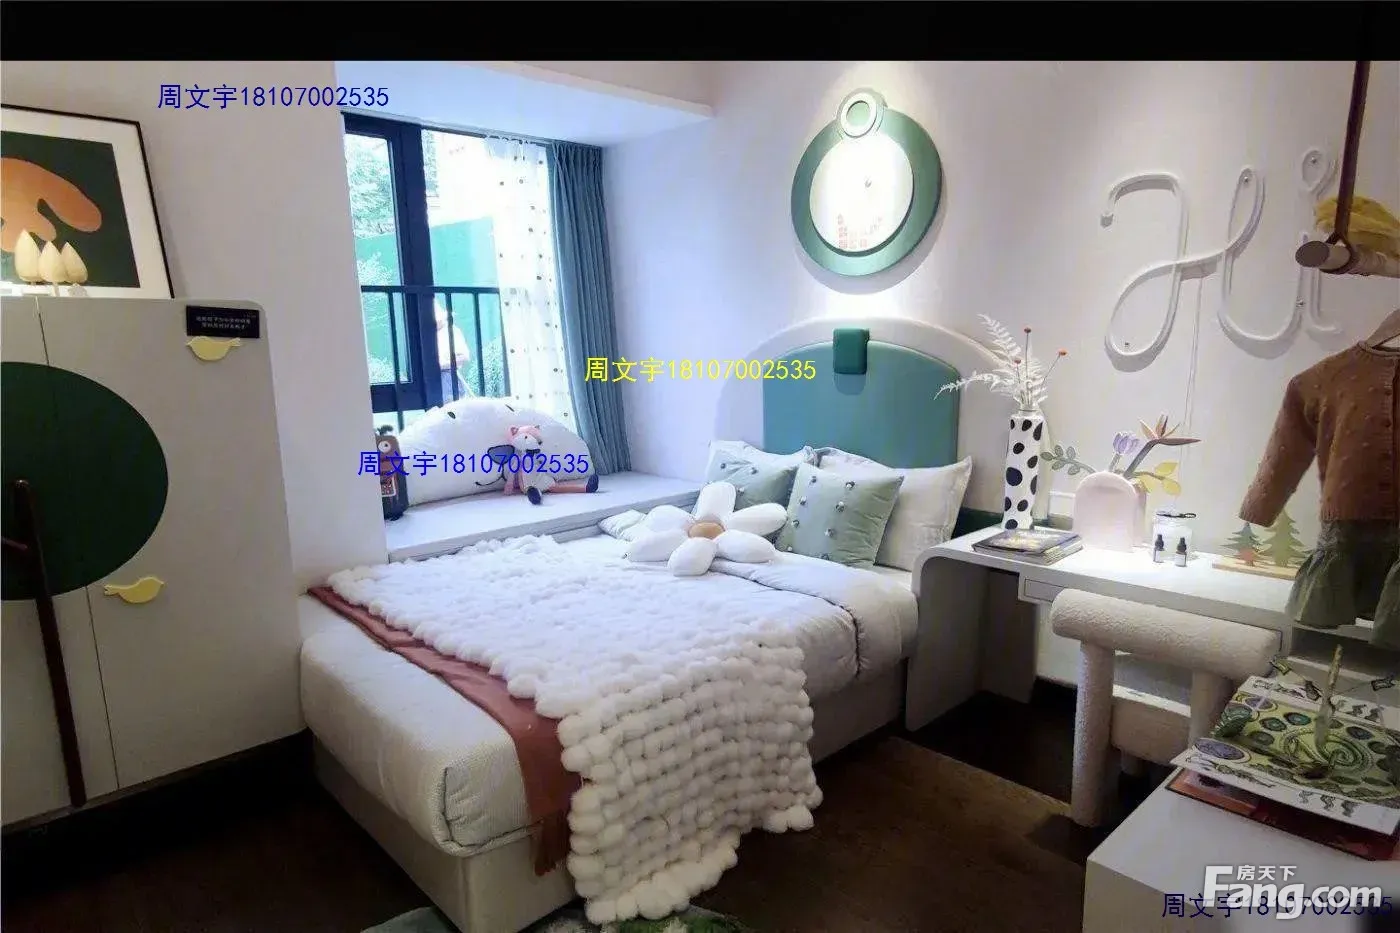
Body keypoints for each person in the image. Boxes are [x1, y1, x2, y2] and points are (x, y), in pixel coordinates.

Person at [435, 302, 472, 403]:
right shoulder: (428, 334)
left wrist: (442, 365)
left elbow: (464, 357)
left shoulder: (452, 331)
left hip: (448, 378)